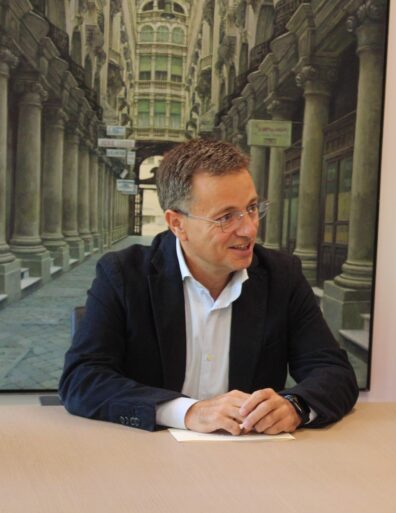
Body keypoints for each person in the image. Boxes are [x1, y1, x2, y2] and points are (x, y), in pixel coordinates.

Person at [60, 138, 358, 435]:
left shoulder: (282, 275)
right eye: (226, 217)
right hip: (148, 456)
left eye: (252, 208)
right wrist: (186, 411)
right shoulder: (123, 275)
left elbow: (334, 372)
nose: (249, 228)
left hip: (249, 459)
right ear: (177, 224)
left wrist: (295, 406)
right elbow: (82, 379)